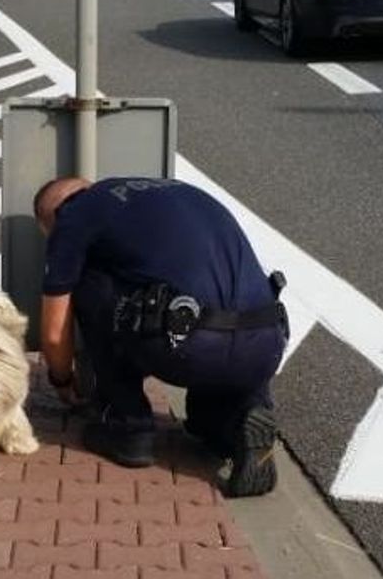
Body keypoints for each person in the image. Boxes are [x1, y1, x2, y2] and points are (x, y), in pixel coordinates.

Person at [34, 176, 289, 497]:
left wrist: (61, 380)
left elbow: (55, 332)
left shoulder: (74, 215)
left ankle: (128, 426)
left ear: (51, 218)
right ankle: (243, 419)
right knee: (202, 422)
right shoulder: (179, 190)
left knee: (89, 284)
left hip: (191, 343)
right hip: (265, 341)